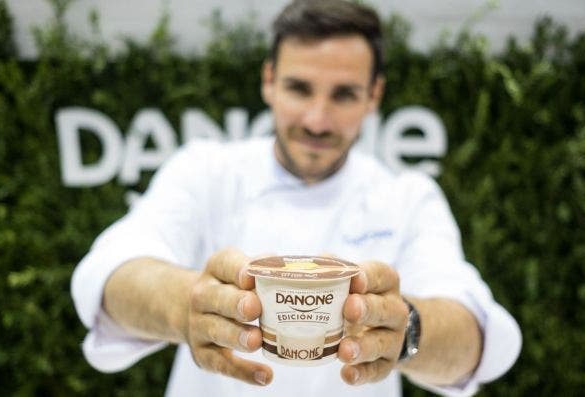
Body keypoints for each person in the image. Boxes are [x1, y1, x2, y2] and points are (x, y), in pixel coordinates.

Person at [71, 1, 521, 396]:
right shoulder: (205, 171)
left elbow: (475, 338)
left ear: (374, 96)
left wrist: (402, 328)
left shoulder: (406, 197)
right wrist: (186, 302)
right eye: (299, 88)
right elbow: (110, 276)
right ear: (268, 81)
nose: (317, 120)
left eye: (344, 95)